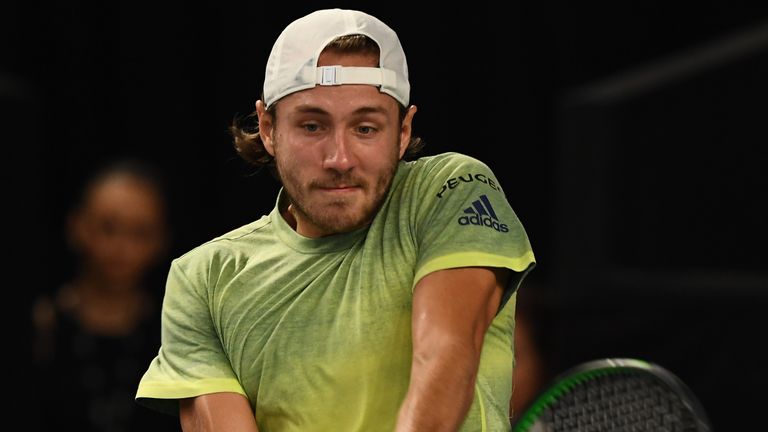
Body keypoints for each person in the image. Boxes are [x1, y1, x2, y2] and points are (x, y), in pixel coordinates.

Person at [135, 8, 536, 432]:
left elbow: (445, 353)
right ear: (269, 128)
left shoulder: (450, 189)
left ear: (402, 131)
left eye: (365, 128)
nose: (339, 159)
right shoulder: (202, 278)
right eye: (312, 126)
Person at [31, 159, 180, 431]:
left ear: (161, 240)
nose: (121, 248)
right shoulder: (43, 326)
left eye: (140, 233)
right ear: (77, 226)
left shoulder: (174, 333)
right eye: (108, 228)